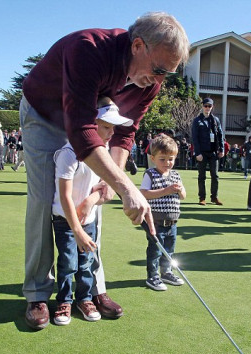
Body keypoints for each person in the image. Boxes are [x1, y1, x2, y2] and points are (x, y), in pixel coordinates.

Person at [20, 11, 190, 329]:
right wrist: (127, 187)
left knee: (96, 196)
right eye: (158, 70)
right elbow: (83, 132)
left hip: (95, 120)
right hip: (44, 114)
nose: (159, 81)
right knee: (46, 201)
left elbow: (124, 133)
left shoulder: (149, 82)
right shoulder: (88, 49)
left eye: (167, 74)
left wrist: (111, 185)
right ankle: (37, 293)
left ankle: (92, 289)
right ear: (137, 45)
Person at [52, 97, 133, 325]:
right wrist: (76, 230)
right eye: (106, 126)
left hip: (89, 221)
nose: (110, 133)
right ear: (90, 122)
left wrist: (89, 202)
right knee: (68, 262)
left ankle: (84, 298)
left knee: (86, 263)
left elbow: (102, 187)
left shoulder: (103, 153)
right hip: (66, 222)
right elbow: (65, 195)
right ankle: (64, 301)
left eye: (113, 128)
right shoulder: (68, 153)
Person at [140, 133, 186, 291]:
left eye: (171, 159)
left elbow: (184, 195)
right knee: (155, 251)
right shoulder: (150, 174)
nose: (167, 163)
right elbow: (144, 193)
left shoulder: (175, 175)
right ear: (153, 158)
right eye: (163, 159)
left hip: (172, 222)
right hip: (156, 222)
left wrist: (179, 191)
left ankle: (166, 272)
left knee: (169, 250)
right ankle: (152, 276)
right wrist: (166, 190)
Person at [191, 98, 224, 206]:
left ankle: (214, 197)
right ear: (202, 106)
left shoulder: (215, 120)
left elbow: (220, 135)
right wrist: (197, 153)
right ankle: (202, 197)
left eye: (209, 106)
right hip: (202, 152)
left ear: (212, 107)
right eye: (205, 106)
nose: (207, 108)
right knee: (202, 176)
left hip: (213, 152)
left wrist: (221, 149)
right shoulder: (197, 120)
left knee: (215, 176)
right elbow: (195, 138)